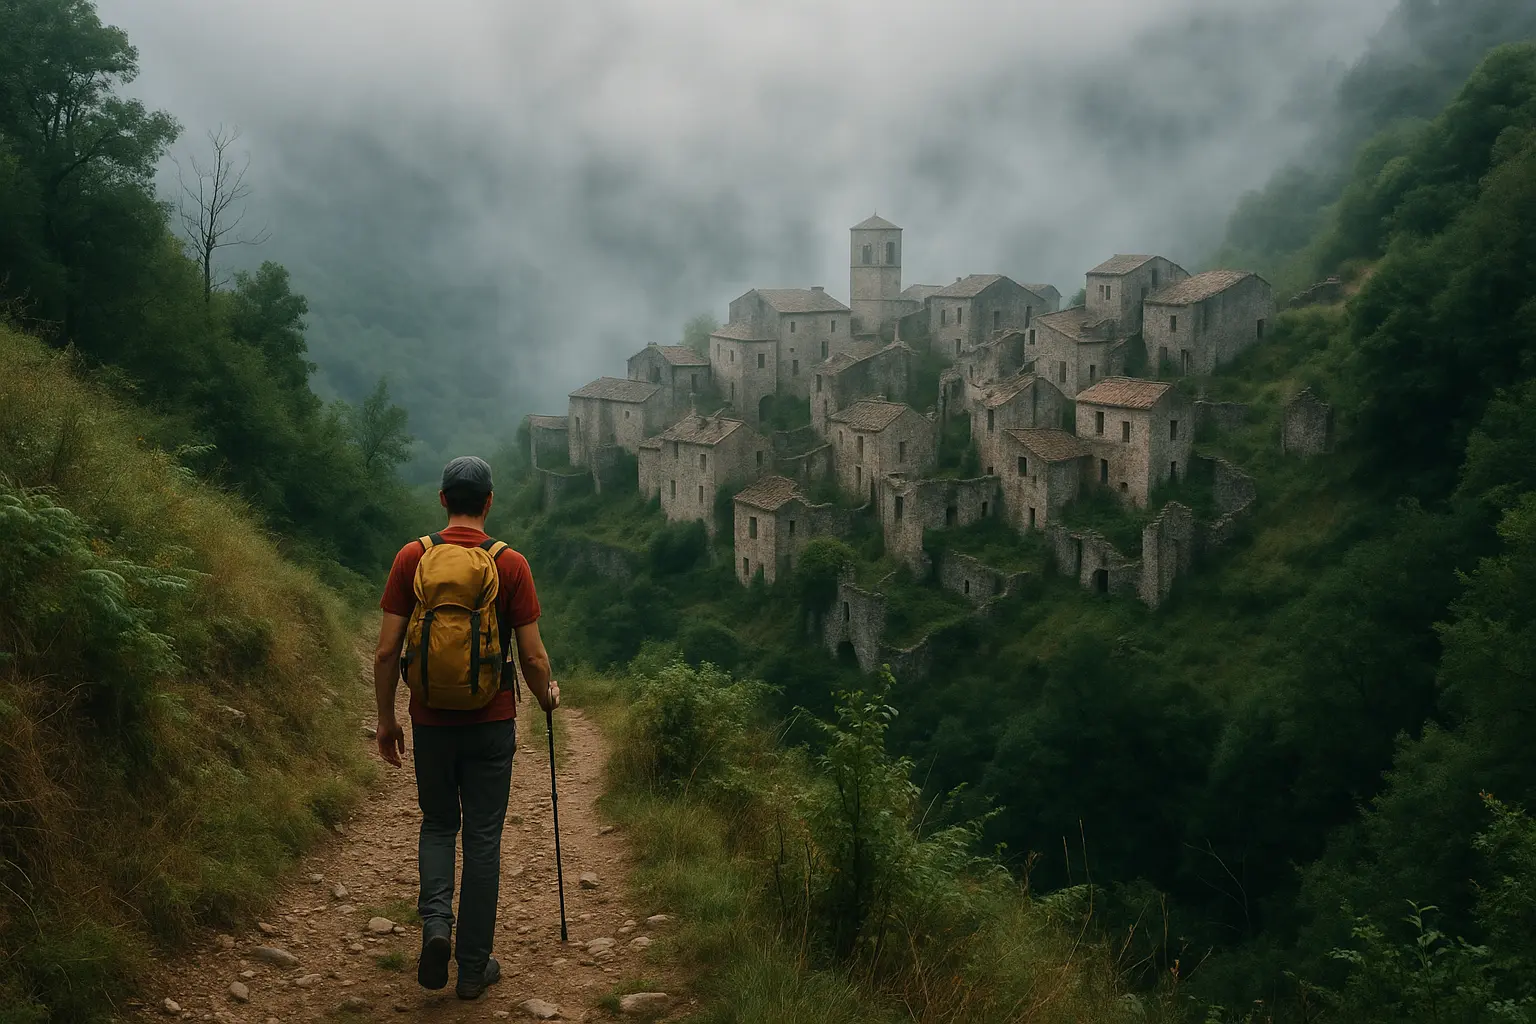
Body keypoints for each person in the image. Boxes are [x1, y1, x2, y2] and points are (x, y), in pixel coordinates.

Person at [373, 455, 559, 1000]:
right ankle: (473, 969)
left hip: (430, 720)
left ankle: (436, 926)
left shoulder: (413, 557)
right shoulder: (511, 564)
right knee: (482, 839)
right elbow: (534, 657)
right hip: (491, 723)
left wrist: (386, 720)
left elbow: (386, 652)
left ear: (442, 500)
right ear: (489, 502)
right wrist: (546, 697)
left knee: (437, 825)